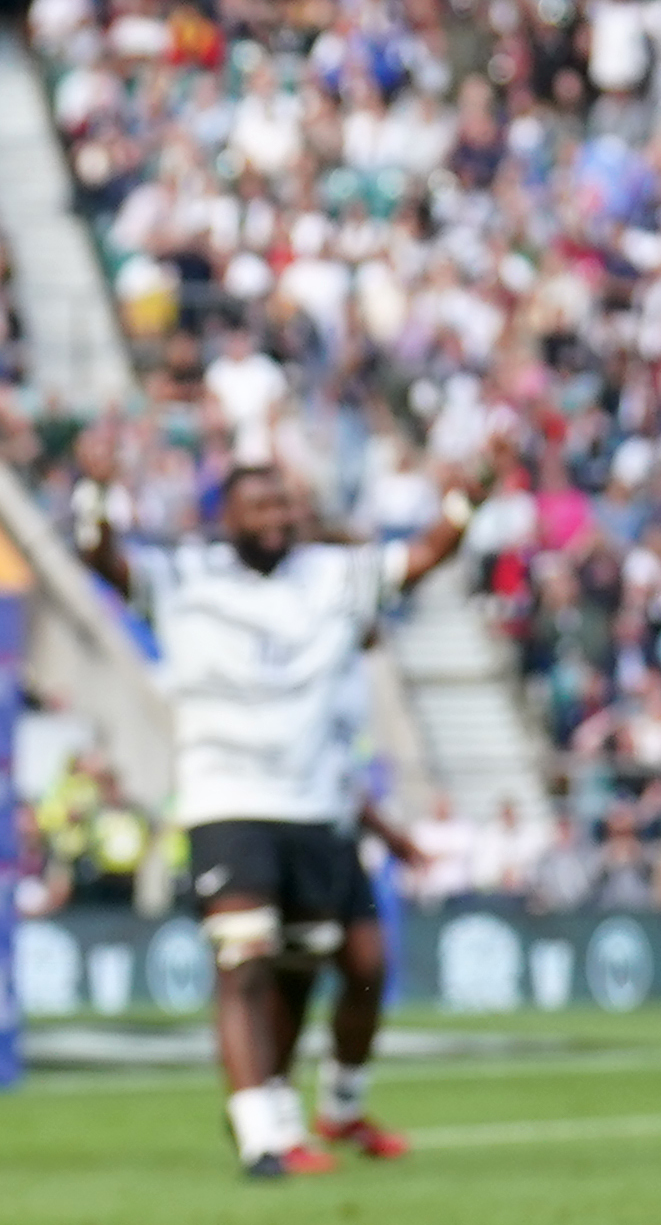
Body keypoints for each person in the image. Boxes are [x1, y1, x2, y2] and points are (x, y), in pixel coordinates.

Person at [80, 454, 482, 1177]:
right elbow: (102, 558)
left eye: (284, 506)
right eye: (260, 507)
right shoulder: (185, 577)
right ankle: (260, 1135)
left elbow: (425, 556)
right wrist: (95, 492)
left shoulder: (332, 579)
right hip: (227, 802)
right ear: (226, 517)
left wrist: (466, 501)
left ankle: (287, 1109)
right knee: (245, 961)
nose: (277, 519)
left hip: (314, 811)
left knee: (307, 968)